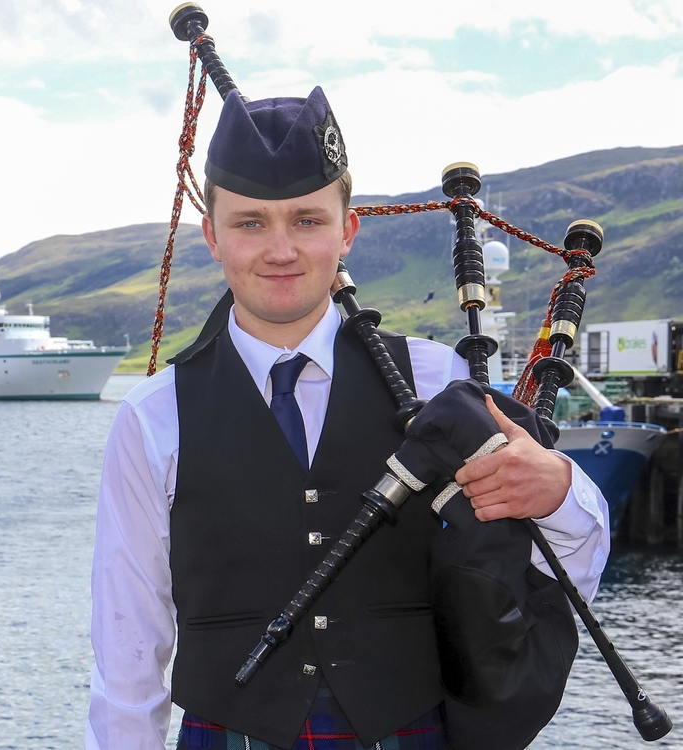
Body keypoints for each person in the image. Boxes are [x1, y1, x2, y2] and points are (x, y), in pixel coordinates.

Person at [86, 87, 609, 750]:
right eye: (250, 222)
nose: (280, 249)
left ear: (347, 230)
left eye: (307, 220)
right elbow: (129, 643)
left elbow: (544, 573)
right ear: (212, 235)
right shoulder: (153, 416)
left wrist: (560, 490)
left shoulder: (435, 380)